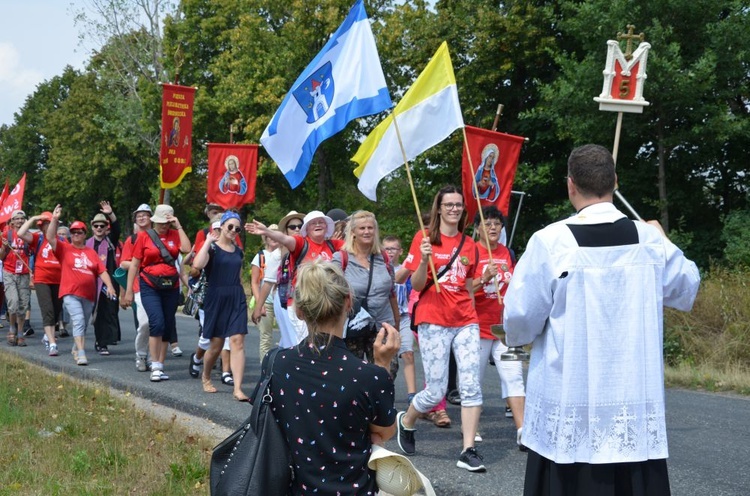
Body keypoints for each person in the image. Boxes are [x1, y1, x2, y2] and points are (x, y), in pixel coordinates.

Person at [504, 144, 701, 496]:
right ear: (615, 182)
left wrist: (520, 336)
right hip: (631, 401)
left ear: (570, 186)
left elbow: (519, 318)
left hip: (570, 398)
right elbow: (688, 287)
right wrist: (664, 238)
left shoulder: (551, 241)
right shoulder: (648, 240)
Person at [268, 260, 400, 494]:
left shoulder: (277, 363)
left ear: (299, 310)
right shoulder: (368, 376)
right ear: (348, 302)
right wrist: (382, 364)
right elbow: (384, 432)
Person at [395, 185, 486, 473]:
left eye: (458, 205)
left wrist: (473, 314)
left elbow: (468, 286)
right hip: (433, 318)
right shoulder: (423, 239)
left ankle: (468, 449)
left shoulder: (469, 244)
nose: (454, 209)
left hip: (466, 320)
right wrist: (423, 260)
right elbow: (418, 284)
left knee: (471, 386)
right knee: (435, 392)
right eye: (448, 205)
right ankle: (407, 421)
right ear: (439, 208)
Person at [245, 210, 344, 347]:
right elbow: (268, 282)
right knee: (304, 344)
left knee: (321, 344)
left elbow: (355, 247)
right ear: (307, 228)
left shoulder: (334, 245)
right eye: (313, 223)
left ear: (327, 226)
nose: (317, 225)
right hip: (300, 303)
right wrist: (267, 231)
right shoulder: (299, 244)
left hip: (325, 303)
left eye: (321, 222)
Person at [471, 206, 525, 447]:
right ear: (477, 229)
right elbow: (461, 289)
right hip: (476, 327)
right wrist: (483, 278)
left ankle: (524, 430)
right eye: (487, 223)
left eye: (497, 224)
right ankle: (470, 427)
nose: (492, 228)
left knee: (514, 376)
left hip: (505, 329)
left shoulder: (508, 253)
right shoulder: (471, 252)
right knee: (474, 379)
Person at [122, 204, 191, 382]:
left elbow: (186, 249)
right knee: (156, 323)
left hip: (170, 286)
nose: (163, 226)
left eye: (166, 223)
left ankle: (159, 365)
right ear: (155, 222)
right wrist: (128, 291)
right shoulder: (144, 237)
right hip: (149, 285)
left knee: (167, 325)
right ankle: (154, 364)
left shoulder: (175, 234)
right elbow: (135, 265)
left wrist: (178, 225)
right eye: (160, 222)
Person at [46, 205, 117, 366]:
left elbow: (102, 271)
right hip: (70, 293)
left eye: (79, 232)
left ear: (85, 234)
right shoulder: (64, 248)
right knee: (78, 320)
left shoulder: (91, 252)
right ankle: (82, 353)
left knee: (83, 323)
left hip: (89, 295)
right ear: (70, 235)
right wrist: (55, 219)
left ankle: (76, 346)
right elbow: (50, 237)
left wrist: (110, 286)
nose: (76, 234)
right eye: (73, 232)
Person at [332, 210, 399, 377]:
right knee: (352, 373)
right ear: (353, 232)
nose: (367, 232)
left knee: (388, 371)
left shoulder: (383, 257)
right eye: (362, 228)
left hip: (383, 323)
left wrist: (396, 324)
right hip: (353, 324)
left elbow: (391, 292)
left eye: (370, 228)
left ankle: (380, 403)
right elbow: (332, 292)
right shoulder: (341, 258)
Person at [191, 211, 250, 401]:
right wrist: (208, 241)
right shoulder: (212, 249)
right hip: (216, 297)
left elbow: (239, 276)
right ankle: (206, 375)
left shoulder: (239, 251)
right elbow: (197, 265)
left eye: (237, 228)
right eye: (230, 227)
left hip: (236, 297)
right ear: (222, 226)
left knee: (237, 342)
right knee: (215, 346)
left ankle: (238, 388)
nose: (233, 231)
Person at [250, 210, 305, 349]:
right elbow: (267, 283)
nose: (297, 229)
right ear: (286, 231)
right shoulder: (278, 254)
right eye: (292, 227)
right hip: (285, 302)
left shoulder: (309, 247)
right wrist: (258, 307)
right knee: (293, 340)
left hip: (307, 301)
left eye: (300, 225)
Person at [17, 211, 63, 356]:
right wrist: (34, 218)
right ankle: (52, 343)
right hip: (42, 279)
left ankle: (47, 335)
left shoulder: (62, 240)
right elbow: (20, 233)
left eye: (47, 223)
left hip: (59, 279)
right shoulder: (37, 239)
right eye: (42, 225)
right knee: (47, 310)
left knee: (56, 310)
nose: (45, 227)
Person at [383, 235, 418, 406]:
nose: (390, 252)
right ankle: (383, 390)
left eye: (393, 249)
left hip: (404, 317)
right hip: (385, 317)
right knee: (386, 356)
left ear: (400, 251)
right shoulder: (379, 268)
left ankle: (412, 394)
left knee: (408, 353)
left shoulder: (406, 269)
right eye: (387, 249)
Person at [120, 203, 152, 371]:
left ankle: (154, 358)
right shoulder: (131, 239)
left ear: (151, 217)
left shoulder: (157, 236)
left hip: (157, 286)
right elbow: (123, 263)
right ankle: (141, 354)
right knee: (145, 323)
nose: (141, 218)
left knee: (158, 324)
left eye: (145, 214)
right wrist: (139, 264)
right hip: (139, 286)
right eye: (138, 215)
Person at [86, 202, 121, 355]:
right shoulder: (87, 244)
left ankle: (104, 341)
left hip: (109, 283)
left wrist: (110, 213)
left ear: (107, 227)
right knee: (96, 313)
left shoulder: (110, 241)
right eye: (96, 226)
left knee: (108, 312)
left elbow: (117, 228)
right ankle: (100, 341)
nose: (99, 228)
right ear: (92, 227)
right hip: (91, 284)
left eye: (102, 226)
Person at [1, 210, 33, 346]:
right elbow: (1, 257)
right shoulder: (6, 235)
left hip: (24, 274)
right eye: (17, 219)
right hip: (9, 272)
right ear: (12, 221)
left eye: (22, 218)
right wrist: (3, 246)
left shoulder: (29, 236)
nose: (20, 221)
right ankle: (12, 328)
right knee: (13, 303)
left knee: (23, 305)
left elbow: (33, 253)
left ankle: (20, 333)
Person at [250, 224, 280, 362]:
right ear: (265, 238)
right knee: (266, 337)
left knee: (286, 336)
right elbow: (255, 282)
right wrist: (259, 303)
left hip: (282, 302)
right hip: (266, 302)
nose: (273, 238)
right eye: (270, 235)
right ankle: (265, 368)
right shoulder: (261, 256)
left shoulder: (283, 253)